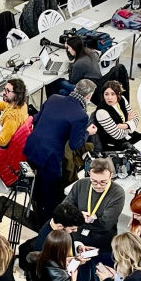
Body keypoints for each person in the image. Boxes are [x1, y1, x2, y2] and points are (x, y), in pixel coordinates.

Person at [64, 157, 124, 281]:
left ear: (111, 176)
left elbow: (106, 223)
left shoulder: (117, 193)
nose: (98, 185)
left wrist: (82, 219)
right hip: (79, 244)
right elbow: (66, 206)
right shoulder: (81, 185)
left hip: (103, 247)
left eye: (103, 182)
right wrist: (84, 218)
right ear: (88, 174)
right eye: (94, 181)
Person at [24, 81, 92, 224]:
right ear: (88, 97)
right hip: (50, 157)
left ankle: (36, 209)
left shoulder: (54, 98)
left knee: (36, 184)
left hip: (32, 147)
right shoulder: (81, 115)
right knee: (52, 194)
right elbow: (75, 144)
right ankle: (48, 223)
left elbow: (35, 119)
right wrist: (87, 132)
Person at [89, 81, 141, 150]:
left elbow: (136, 118)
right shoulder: (101, 112)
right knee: (139, 151)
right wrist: (130, 125)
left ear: (118, 94)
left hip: (127, 136)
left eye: (113, 94)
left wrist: (124, 125)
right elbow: (118, 135)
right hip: (113, 144)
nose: (109, 98)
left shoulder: (122, 99)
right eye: (106, 94)